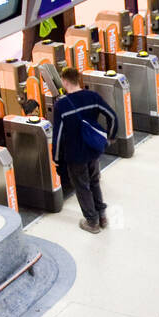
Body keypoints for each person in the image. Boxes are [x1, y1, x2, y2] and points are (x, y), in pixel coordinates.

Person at [51, 66, 118, 234]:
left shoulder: (62, 105)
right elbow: (112, 116)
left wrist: (57, 159)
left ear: (65, 82)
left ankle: (92, 222)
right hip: (93, 149)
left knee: (82, 186)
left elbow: (58, 136)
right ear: (79, 80)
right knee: (94, 181)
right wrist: (109, 138)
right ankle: (102, 216)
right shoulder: (92, 97)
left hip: (75, 154)